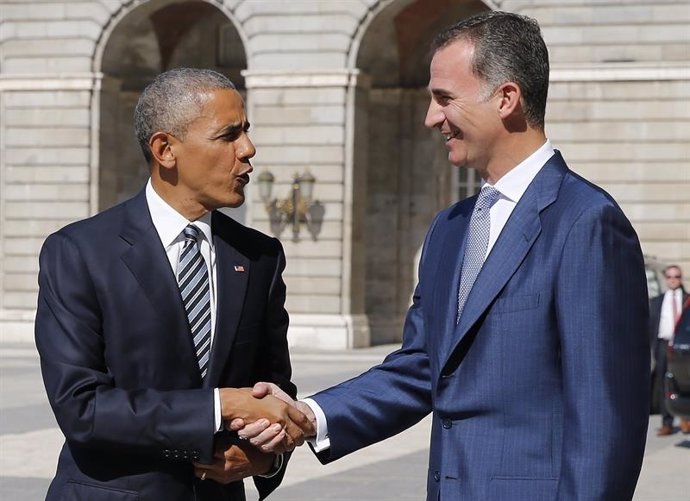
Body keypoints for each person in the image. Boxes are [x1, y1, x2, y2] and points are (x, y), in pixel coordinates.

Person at [236, 11, 651, 501]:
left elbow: (605, 422)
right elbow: (421, 367)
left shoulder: (587, 222)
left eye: (444, 99)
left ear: (506, 99)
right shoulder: (450, 228)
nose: (432, 117)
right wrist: (309, 417)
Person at [35, 68, 312, 501]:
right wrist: (220, 407)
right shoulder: (79, 252)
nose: (248, 150)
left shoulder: (259, 256)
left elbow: (273, 389)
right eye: (228, 135)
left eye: (247, 132)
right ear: (165, 149)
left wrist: (264, 457)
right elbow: (82, 408)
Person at [649, 265, 689, 435]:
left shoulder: (687, 299)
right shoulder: (658, 301)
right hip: (663, 345)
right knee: (664, 383)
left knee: (685, 382)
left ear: (681, 278)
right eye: (670, 276)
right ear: (666, 279)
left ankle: (685, 419)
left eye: (677, 276)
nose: (673, 279)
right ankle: (667, 422)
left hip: (683, 347)